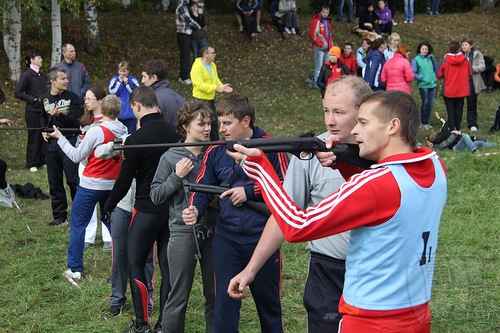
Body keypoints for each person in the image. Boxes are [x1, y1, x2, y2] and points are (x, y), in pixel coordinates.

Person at [229, 91, 448, 333]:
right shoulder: (436, 167)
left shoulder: (378, 183)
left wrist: (260, 169)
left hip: (370, 320)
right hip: (416, 312)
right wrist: (344, 162)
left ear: (392, 126)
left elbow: (297, 226)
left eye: (363, 123)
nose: (355, 131)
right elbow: (382, 207)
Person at [225, 77, 372, 333]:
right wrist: (250, 270)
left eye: (339, 112)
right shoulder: (311, 151)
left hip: (375, 271)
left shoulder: (386, 152)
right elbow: (283, 217)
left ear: (364, 111)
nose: (330, 120)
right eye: (326, 110)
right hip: (327, 271)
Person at [182, 94, 288, 333]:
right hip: (226, 238)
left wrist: (249, 192)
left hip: (263, 237)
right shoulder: (217, 150)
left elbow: (284, 186)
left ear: (246, 121)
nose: (222, 129)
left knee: (269, 306)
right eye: (220, 123)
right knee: (223, 306)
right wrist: (194, 209)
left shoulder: (272, 145)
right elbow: (201, 185)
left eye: (227, 123)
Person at [103, 86, 179, 333]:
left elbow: (124, 182)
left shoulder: (135, 140)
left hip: (146, 210)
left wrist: (109, 205)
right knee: (168, 269)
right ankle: (164, 325)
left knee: (135, 263)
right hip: (172, 211)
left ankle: (141, 323)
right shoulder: (176, 134)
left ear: (136, 106)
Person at [47, 95, 127, 285]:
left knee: (78, 224)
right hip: (113, 185)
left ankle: (75, 269)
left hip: (91, 184)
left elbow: (76, 156)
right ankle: (121, 268)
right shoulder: (123, 129)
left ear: (102, 109)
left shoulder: (96, 131)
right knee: (113, 226)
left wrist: (59, 138)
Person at [150, 100, 215, 333]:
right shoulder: (170, 157)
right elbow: (156, 195)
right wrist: (176, 176)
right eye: (201, 124)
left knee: (215, 294)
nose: (207, 129)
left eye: (209, 123)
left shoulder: (214, 154)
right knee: (178, 296)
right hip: (181, 232)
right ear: (186, 126)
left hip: (212, 231)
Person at [41, 66, 83, 226]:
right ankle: (59, 217)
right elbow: (41, 118)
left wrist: (61, 115)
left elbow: (76, 121)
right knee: (54, 181)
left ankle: (79, 215)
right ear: (53, 81)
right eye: (62, 78)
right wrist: (42, 130)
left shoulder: (73, 98)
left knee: (73, 180)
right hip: (52, 145)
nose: (67, 81)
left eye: (67, 78)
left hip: (70, 141)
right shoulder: (44, 99)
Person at [78, 86, 113, 251]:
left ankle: (109, 236)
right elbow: (80, 145)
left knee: (107, 203)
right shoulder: (85, 120)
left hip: (103, 167)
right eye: (85, 98)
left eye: (89, 98)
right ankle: (89, 236)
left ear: (100, 100)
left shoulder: (110, 121)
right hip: (85, 166)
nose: (86, 102)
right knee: (88, 204)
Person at [15, 50, 48, 172]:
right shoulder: (27, 75)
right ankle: (32, 162)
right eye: (38, 58)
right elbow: (18, 92)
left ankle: (42, 160)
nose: (41, 60)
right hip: (32, 111)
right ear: (32, 60)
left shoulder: (43, 75)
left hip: (44, 110)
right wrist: (33, 99)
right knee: (34, 136)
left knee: (44, 135)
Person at [190, 46, 233, 139]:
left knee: (213, 122)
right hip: (200, 100)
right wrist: (216, 88)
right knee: (206, 122)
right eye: (212, 53)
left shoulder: (212, 65)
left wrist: (222, 87)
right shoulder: (197, 66)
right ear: (205, 54)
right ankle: (207, 143)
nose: (215, 55)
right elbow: (199, 84)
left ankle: (214, 143)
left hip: (210, 99)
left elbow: (215, 79)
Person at [437, 41, 470, 131]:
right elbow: (469, 73)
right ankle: (457, 127)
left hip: (449, 89)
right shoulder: (465, 60)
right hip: (461, 90)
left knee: (450, 110)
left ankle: (452, 128)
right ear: (459, 48)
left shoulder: (446, 60)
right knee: (459, 109)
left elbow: (439, 74)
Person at [141, 59, 185, 128]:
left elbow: (150, 128)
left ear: (154, 77)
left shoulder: (152, 100)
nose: (142, 81)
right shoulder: (178, 97)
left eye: (144, 76)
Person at [176, 0, 203, 85]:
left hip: (187, 34)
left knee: (186, 55)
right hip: (183, 34)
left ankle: (182, 76)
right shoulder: (181, 7)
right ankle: (185, 78)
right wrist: (199, 27)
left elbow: (197, 17)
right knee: (185, 56)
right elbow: (189, 20)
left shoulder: (187, 6)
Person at [108, 61, 140, 134]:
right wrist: (119, 83)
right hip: (118, 113)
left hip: (131, 113)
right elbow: (112, 92)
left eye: (124, 71)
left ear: (128, 71)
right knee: (119, 134)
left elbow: (137, 92)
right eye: (120, 71)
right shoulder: (114, 80)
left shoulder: (133, 80)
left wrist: (127, 84)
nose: (122, 73)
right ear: (118, 71)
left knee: (131, 134)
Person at [461, 39, 486, 132]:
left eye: (466, 45)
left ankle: (472, 123)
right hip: (461, 82)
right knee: (459, 103)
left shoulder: (477, 54)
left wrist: (471, 69)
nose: (464, 47)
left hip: (472, 82)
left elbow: (482, 66)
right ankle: (456, 123)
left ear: (471, 46)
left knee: (472, 103)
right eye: (462, 45)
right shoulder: (459, 55)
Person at [412, 42, 438, 129]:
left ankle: (426, 122)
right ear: (419, 49)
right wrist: (420, 77)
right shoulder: (416, 59)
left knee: (430, 104)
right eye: (423, 49)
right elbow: (413, 72)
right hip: (423, 85)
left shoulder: (430, 58)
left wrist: (433, 59)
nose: (424, 51)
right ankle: (422, 122)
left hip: (432, 84)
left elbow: (436, 69)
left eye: (426, 49)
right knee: (425, 103)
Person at [308, 5, 334, 88]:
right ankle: (316, 82)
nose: (325, 14)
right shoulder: (316, 20)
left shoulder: (327, 21)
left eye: (327, 12)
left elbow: (329, 34)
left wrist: (331, 44)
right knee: (318, 66)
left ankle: (322, 81)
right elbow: (312, 34)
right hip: (319, 47)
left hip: (327, 47)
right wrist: (320, 43)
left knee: (325, 66)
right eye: (324, 12)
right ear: (320, 12)